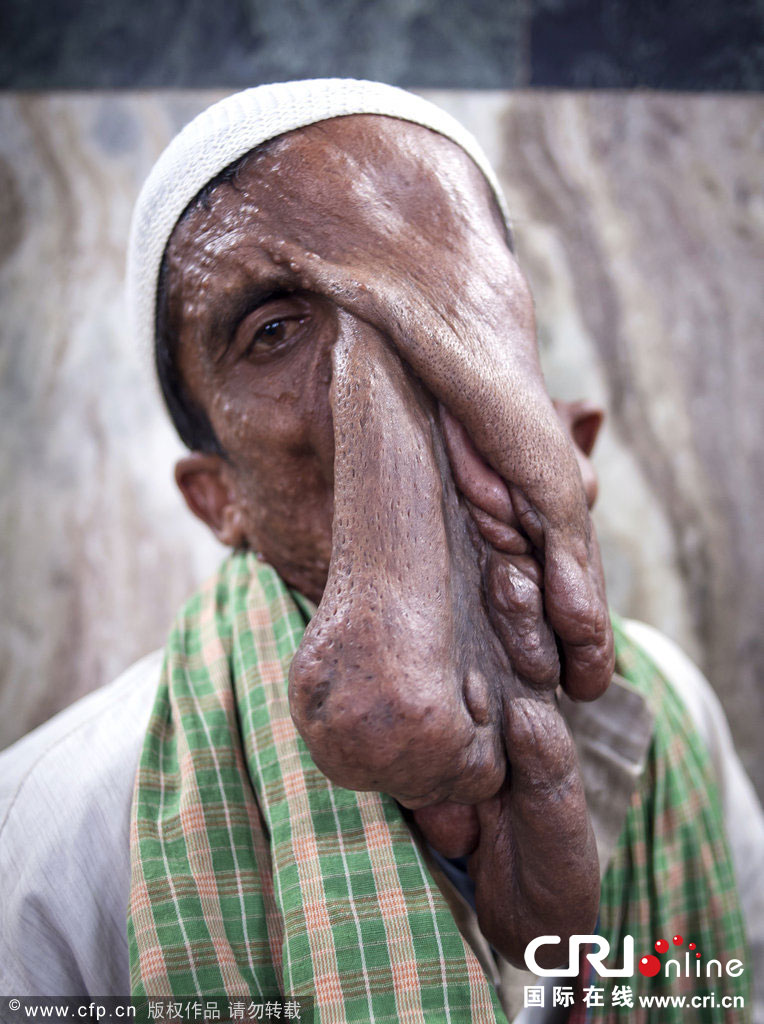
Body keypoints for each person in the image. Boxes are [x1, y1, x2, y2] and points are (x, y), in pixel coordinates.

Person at [1, 80, 762, 1024]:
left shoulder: (676, 717)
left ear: (568, 432)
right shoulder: (58, 827)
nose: (388, 379)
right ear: (217, 497)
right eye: (273, 332)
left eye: (436, 283)